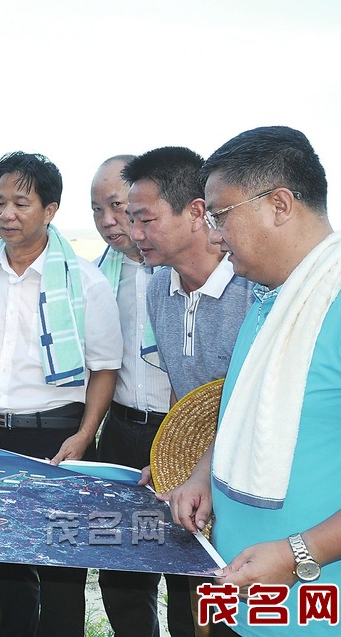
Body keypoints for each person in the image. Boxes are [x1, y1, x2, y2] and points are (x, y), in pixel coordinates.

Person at [168, 126, 341, 637]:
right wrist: (203, 475)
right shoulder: (271, 300)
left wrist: (297, 554)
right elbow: (239, 412)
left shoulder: (327, 303)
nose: (214, 236)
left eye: (221, 216)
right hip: (239, 601)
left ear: (279, 205)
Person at [0, 151, 122, 637]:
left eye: (21, 203)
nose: (6, 214)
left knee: (61, 571)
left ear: (50, 210)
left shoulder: (84, 282)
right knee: (4, 565)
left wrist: (84, 436)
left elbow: (105, 369)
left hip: (57, 438)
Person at [123, 147, 254, 637]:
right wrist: (174, 462)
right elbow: (189, 398)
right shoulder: (158, 288)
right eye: (131, 220)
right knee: (190, 604)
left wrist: (204, 471)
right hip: (197, 480)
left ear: (197, 212)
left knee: (242, 605)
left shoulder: (253, 287)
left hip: (252, 476)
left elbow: (254, 406)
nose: (135, 234)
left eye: (146, 220)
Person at [91, 155, 172, 636]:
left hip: (181, 434)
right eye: (96, 210)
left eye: (118, 206)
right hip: (120, 434)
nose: (108, 221)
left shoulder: (184, 272)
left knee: (190, 569)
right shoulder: (94, 278)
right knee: (122, 568)